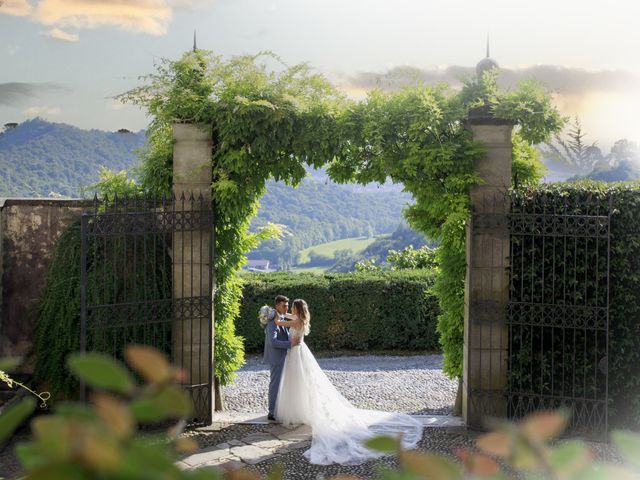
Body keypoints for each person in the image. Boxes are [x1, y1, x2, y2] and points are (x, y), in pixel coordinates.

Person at [273, 299, 423, 465]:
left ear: (298, 309)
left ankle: (302, 410)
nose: (291, 309)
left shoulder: (296, 321)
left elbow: (281, 322)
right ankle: (301, 409)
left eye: (293, 307)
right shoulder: (299, 318)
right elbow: (287, 317)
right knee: (300, 382)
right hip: (298, 352)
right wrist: (281, 312)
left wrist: (273, 316)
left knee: (299, 381)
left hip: (297, 352)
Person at [263, 294, 300, 421]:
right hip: (277, 357)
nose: (286, 308)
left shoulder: (281, 317)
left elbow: (295, 318)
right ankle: (271, 412)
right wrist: (290, 344)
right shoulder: (273, 322)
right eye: (284, 306)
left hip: (285, 356)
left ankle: (280, 409)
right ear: (277, 305)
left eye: (287, 306)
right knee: (275, 384)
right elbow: (273, 342)